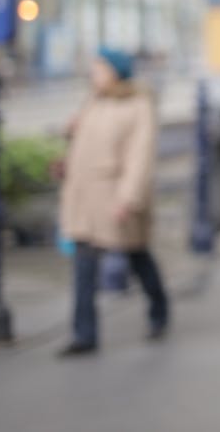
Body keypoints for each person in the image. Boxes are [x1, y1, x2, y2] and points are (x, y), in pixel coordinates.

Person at [56, 47, 169, 357]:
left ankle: (159, 309)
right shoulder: (93, 101)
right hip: (85, 197)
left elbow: (139, 156)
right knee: (84, 264)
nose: (94, 74)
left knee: (137, 256)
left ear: (115, 72)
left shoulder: (138, 105)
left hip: (114, 197)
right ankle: (84, 335)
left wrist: (128, 198)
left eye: (99, 68)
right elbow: (86, 145)